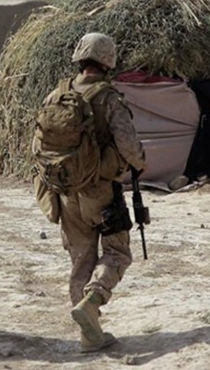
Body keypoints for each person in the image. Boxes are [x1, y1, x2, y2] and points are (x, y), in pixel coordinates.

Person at [39, 33, 146, 353]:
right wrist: (141, 162)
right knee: (117, 252)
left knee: (80, 259)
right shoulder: (109, 98)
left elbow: (38, 144)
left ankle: (90, 334)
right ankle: (93, 299)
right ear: (108, 61)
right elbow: (128, 144)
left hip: (65, 191)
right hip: (101, 191)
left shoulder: (56, 95)